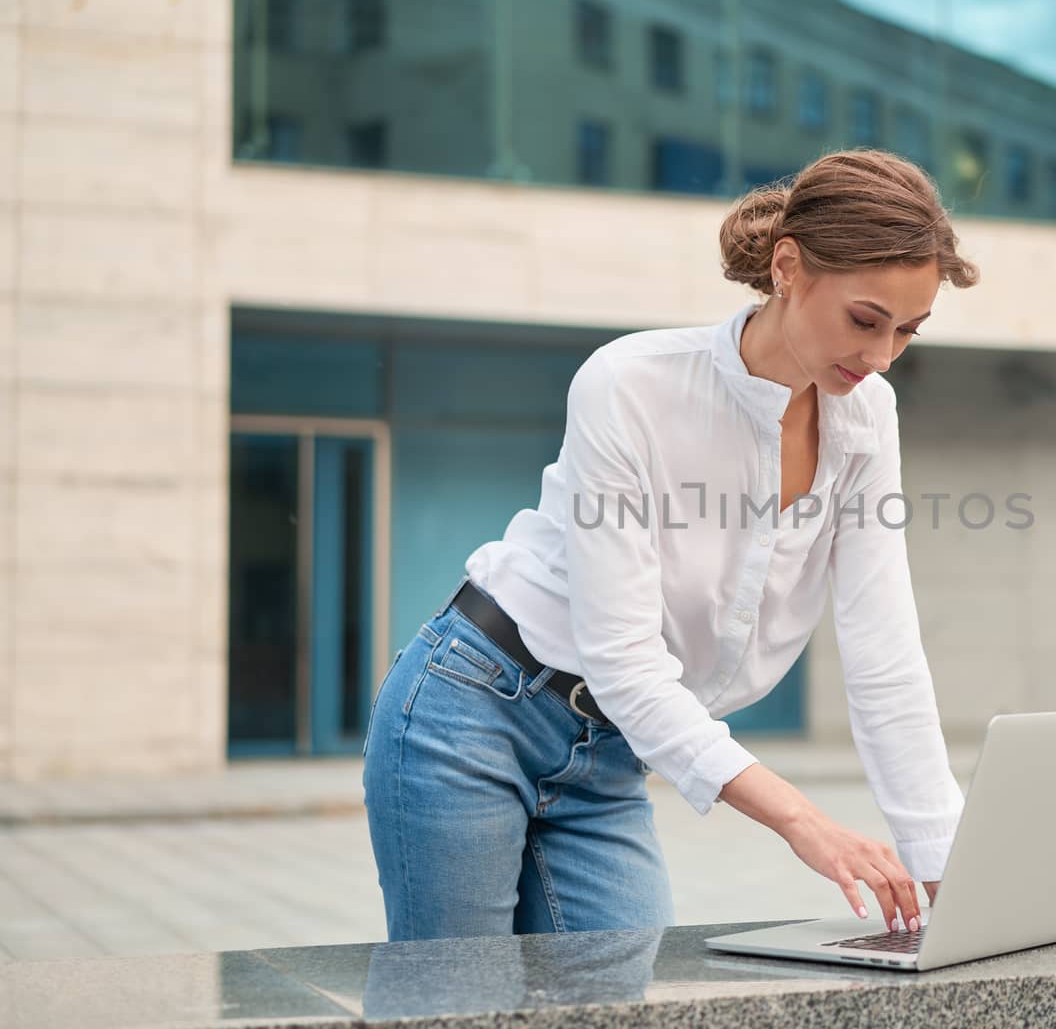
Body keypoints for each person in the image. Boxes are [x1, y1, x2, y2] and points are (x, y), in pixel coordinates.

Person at [362, 148, 981, 942]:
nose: (882, 355)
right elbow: (622, 655)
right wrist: (805, 821)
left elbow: (884, 655)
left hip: (613, 752)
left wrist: (949, 866)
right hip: (474, 709)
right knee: (459, 1009)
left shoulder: (867, 420)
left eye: (908, 330)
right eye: (866, 320)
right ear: (788, 267)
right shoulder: (630, 384)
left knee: (627, 1009)